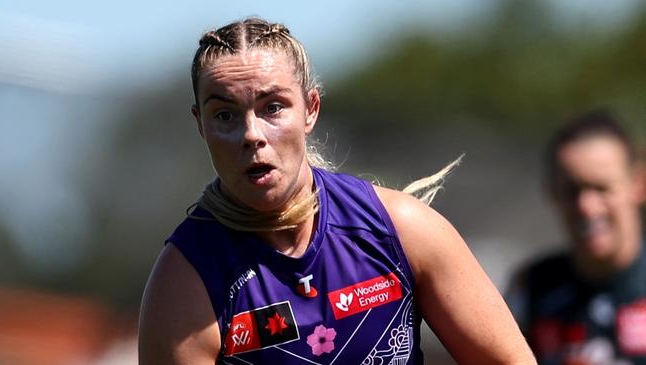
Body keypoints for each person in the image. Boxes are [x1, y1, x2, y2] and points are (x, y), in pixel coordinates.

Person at [138, 17, 535, 365]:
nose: (251, 135)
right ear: (200, 125)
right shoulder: (185, 280)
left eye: (273, 107)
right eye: (224, 115)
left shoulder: (401, 229)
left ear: (310, 109)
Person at [506, 111, 646, 365]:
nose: (587, 207)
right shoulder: (530, 288)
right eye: (573, 191)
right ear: (551, 192)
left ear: (637, 184)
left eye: (601, 188)